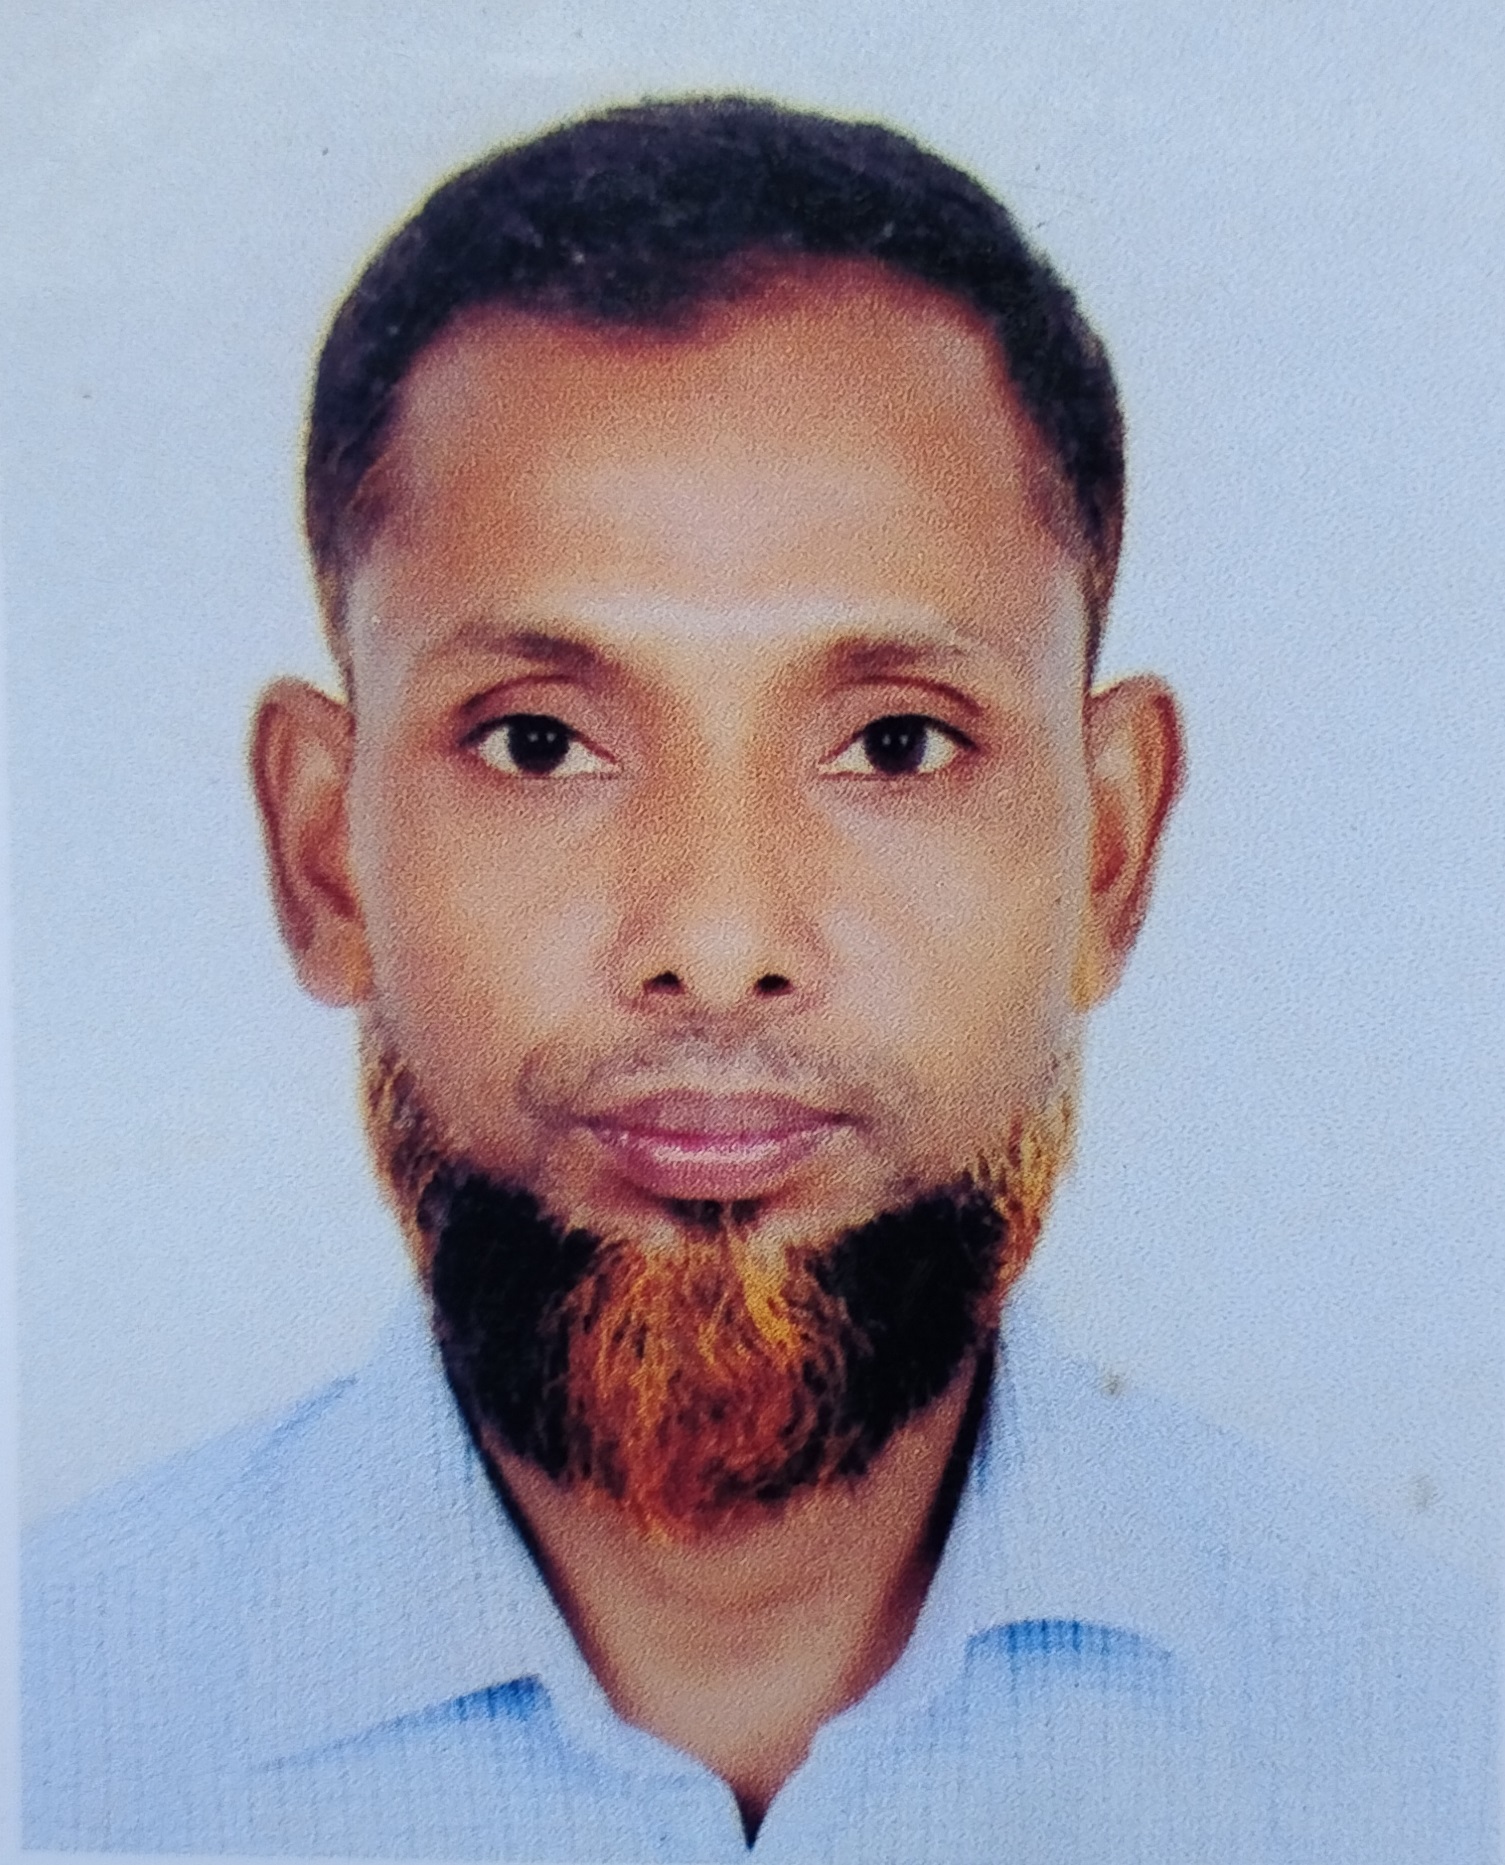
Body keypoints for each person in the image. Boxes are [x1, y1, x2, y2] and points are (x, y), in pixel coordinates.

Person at [22, 96, 1495, 1863]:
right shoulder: (47, 1734)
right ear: (322, 850)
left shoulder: (1440, 1756)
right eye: (540, 742)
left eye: (893, 742)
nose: (717, 944)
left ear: (1109, 849)